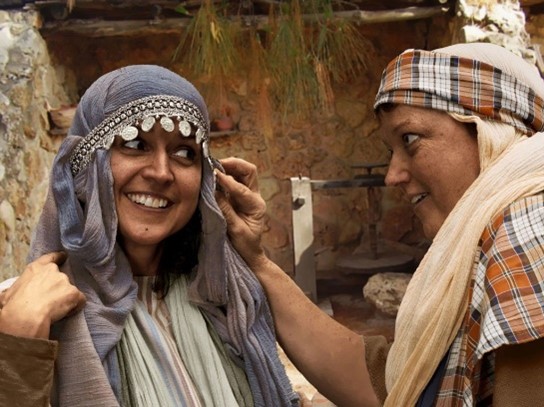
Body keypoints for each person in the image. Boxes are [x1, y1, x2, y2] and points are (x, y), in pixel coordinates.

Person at [215, 42, 544, 406]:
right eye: (392, 150)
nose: (392, 175)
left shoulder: (526, 230)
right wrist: (256, 260)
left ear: (488, 132)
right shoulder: (479, 245)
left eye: (410, 139)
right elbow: (389, 386)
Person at [0, 65, 300, 407]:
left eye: (185, 152)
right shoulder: (28, 314)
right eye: (134, 143)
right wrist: (19, 344)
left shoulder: (227, 298)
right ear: (85, 165)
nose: (161, 172)